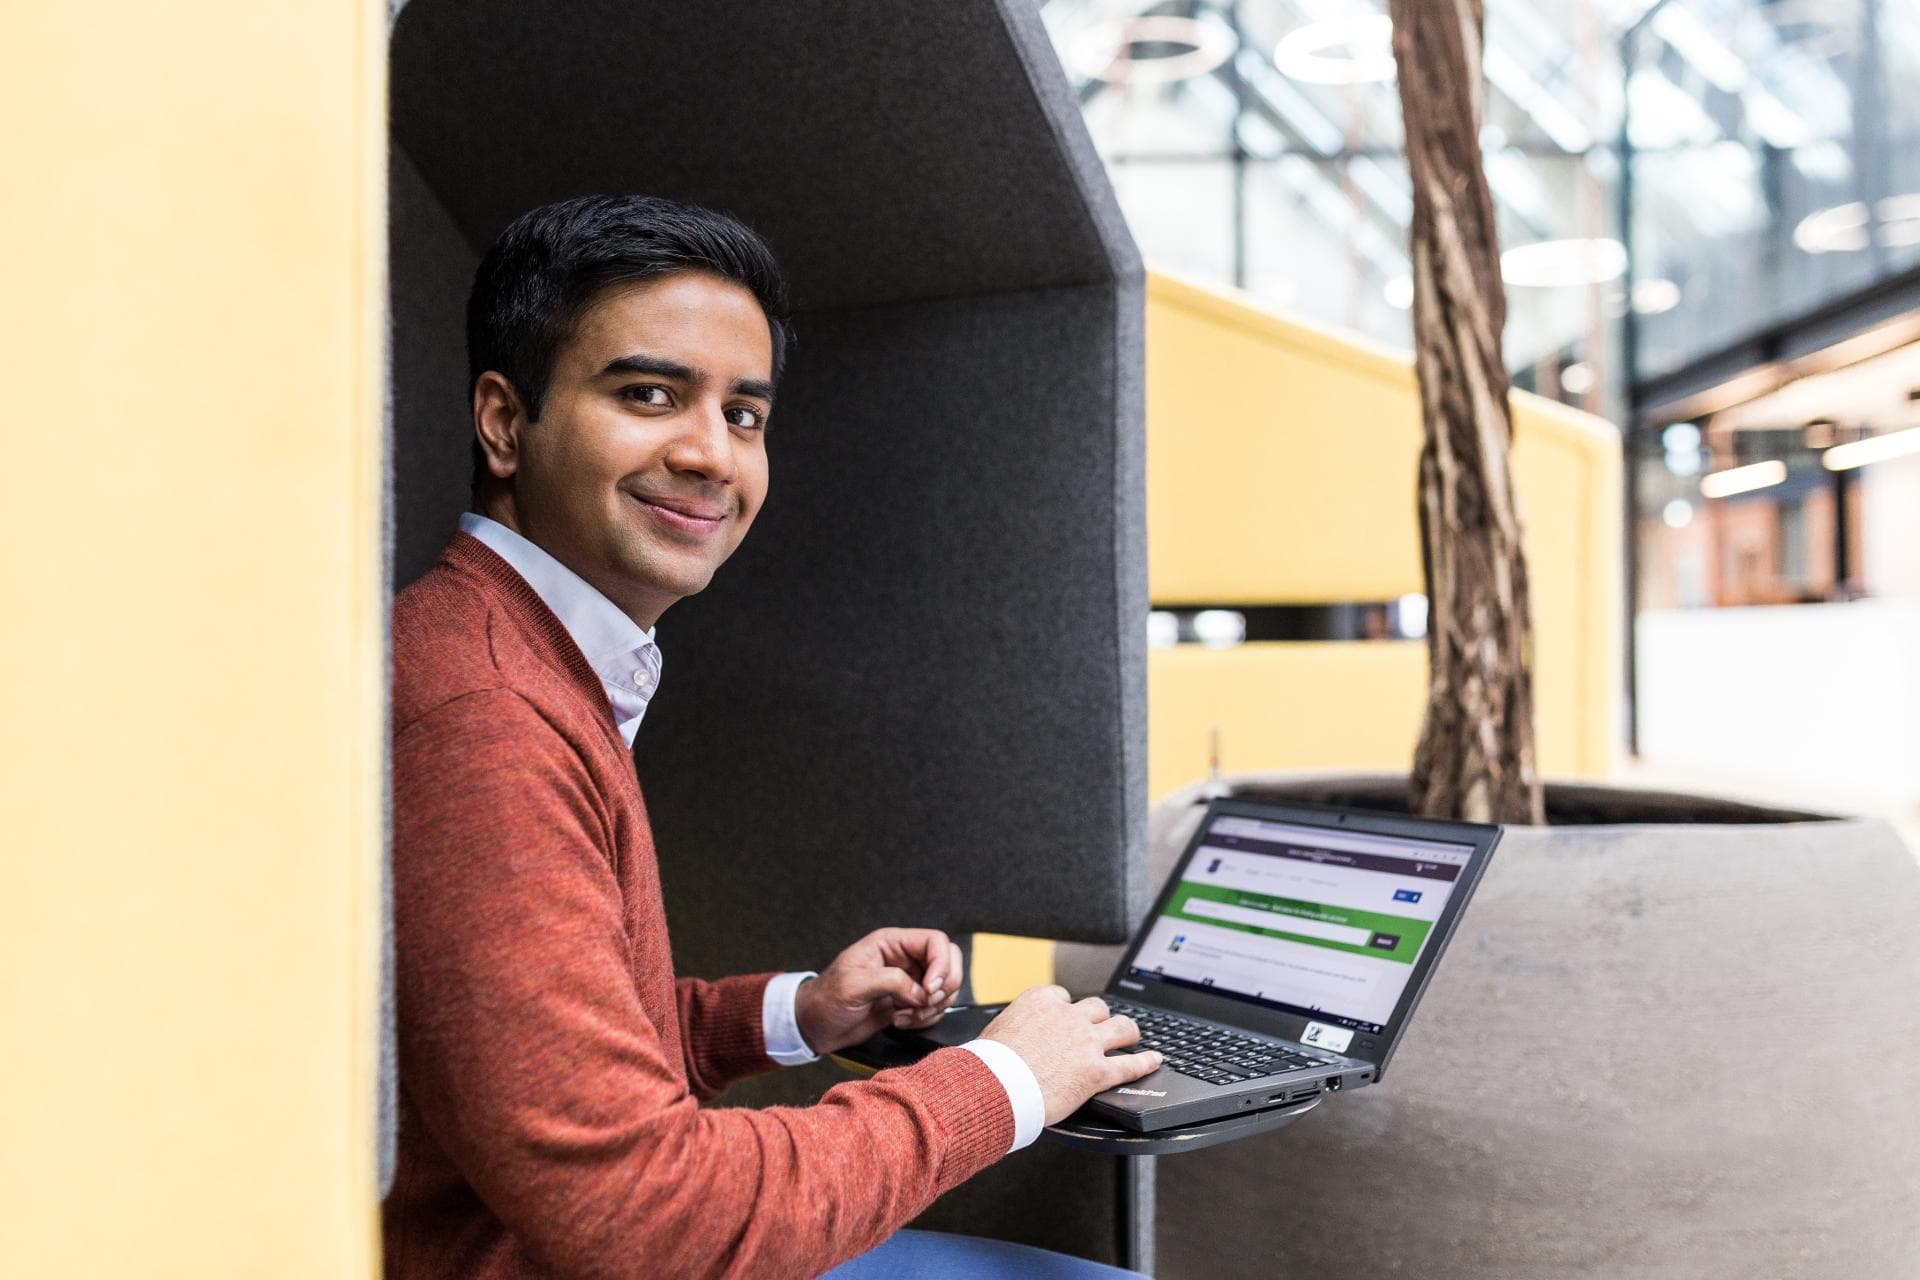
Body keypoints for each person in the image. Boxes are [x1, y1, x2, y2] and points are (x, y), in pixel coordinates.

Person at [384, 194, 1163, 1279]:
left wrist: (797, 1010)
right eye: (651, 394)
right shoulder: (486, 716)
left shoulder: (502, 653)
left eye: (744, 413)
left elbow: (538, 1066)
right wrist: (1002, 1080)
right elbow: (649, 1217)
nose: (712, 454)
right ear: (506, 422)